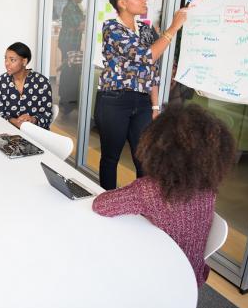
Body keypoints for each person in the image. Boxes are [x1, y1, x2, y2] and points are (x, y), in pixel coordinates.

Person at [92, 104, 236, 287]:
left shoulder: (149, 189)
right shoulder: (207, 189)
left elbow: (101, 205)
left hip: (158, 279)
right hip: (192, 275)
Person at [95, 0, 188, 190]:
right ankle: (107, 200)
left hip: (143, 102)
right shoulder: (112, 28)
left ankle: (144, 205)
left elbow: (151, 69)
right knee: (111, 157)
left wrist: (155, 105)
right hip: (114, 100)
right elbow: (146, 56)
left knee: (144, 159)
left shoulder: (145, 29)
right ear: (122, 3)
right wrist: (173, 27)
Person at [0, 42, 53, 129]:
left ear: (24, 61)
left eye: (12, 60)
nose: (7, 63)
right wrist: (15, 122)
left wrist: (32, 119)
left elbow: (47, 115)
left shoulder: (42, 83)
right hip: (8, 131)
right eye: (6, 59)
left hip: (35, 134)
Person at [58, 0, 85, 114]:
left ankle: (66, 99)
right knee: (69, 70)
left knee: (69, 69)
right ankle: (66, 100)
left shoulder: (76, 7)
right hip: (68, 43)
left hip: (72, 42)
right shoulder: (70, 8)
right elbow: (80, 25)